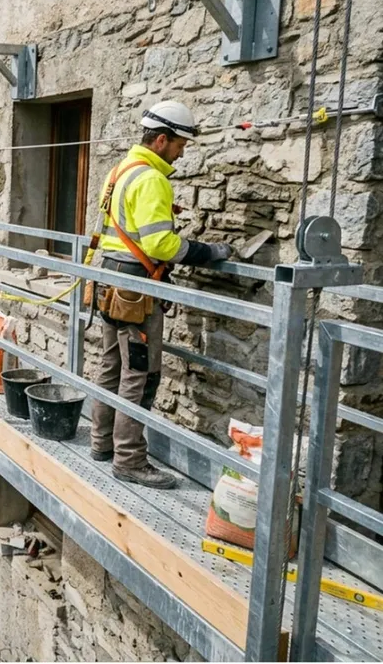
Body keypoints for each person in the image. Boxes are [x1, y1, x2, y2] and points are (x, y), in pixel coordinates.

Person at [90, 100, 234, 489]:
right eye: (180, 144)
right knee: (139, 374)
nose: (183, 152)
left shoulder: (118, 171)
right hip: (136, 289)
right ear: (160, 139)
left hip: (110, 282)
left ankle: (102, 444)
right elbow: (160, 244)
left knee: (110, 367)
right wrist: (207, 252)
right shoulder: (151, 178)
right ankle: (130, 460)